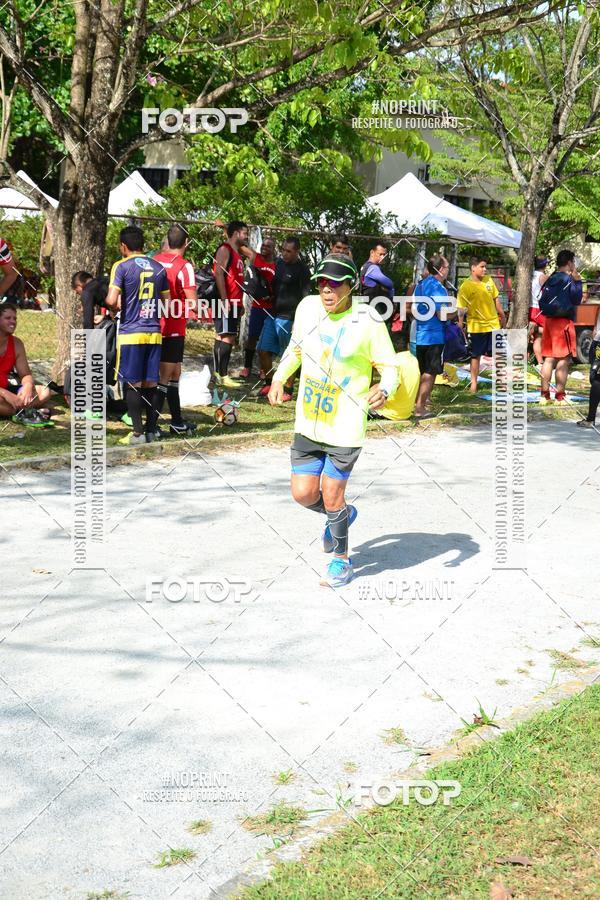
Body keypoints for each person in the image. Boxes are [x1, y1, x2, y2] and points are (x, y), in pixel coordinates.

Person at [268, 253, 399, 588]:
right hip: (309, 420)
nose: (327, 290)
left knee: (331, 491)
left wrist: (384, 388)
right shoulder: (307, 308)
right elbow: (296, 350)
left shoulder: (368, 319)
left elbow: (390, 367)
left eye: (335, 283)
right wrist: (280, 378)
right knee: (302, 493)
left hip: (345, 423)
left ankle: (341, 560)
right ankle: (338, 515)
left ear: (351, 286)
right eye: (322, 283)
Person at [105, 225, 170, 445]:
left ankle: (137, 434)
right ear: (142, 245)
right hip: (154, 333)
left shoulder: (121, 266)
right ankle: (151, 431)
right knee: (151, 383)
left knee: (132, 383)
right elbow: (167, 304)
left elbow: (112, 300)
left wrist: (116, 308)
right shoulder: (159, 267)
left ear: (123, 246)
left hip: (131, 334)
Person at [153, 224, 198, 435]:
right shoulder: (184, 266)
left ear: (167, 241)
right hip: (172, 326)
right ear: (186, 243)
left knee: (174, 373)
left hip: (152, 324)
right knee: (166, 374)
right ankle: (151, 426)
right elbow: (193, 303)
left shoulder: (153, 260)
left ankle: (177, 421)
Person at [258, 236, 311, 400]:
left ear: (297, 251)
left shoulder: (303, 271)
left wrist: (299, 321)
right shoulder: (278, 264)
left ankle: (288, 390)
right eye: (283, 250)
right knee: (263, 350)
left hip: (290, 319)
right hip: (272, 316)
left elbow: (306, 297)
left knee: (289, 356)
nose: (284, 254)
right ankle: (269, 382)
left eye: (288, 251)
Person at [457, 255, 506, 392]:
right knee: (475, 355)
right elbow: (461, 307)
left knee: (498, 353)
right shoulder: (466, 286)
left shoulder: (489, 280)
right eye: (482, 266)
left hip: (493, 324)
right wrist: (461, 323)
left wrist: (502, 315)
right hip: (476, 327)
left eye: (485, 266)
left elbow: (496, 299)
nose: (485, 269)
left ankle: (501, 382)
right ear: (473, 268)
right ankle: (473, 383)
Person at [539, 249, 582, 406]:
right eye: (574, 261)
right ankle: (559, 395)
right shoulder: (569, 279)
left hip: (549, 321)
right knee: (563, 360)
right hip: (562, 322)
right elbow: (576, 300)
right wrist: (577, 281)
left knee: (548, 359)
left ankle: (544, 395)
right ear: (570, 262)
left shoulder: (551, 278)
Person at [412, 255, 453, 418]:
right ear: (441, 270)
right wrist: (458, 312)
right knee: (430, 372)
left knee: (422, 371)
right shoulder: (437, 288)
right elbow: (442, 314)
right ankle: (419, 408)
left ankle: (418, 403)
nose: (448, 270)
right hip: (434, 336)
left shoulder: (420, 285)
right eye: (447, 267)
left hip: (420, 334)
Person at [0, 302, 52, 422]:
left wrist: (28, 386)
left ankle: (16, 410)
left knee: (44, 391)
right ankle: (23, 411)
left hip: (6, 389)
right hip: (2, 392)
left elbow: (25, 374)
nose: (13, 321)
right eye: (8, 318)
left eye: (15, 318)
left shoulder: (17, 344)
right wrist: (6, 394)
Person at [212, 220, 248, 389]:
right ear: (235, 234)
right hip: (226, 302)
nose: (246, 236)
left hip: (234, 301)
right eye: (244, 233)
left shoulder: (237, 252)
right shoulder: (225, 250)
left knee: (224, 335)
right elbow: (218, 273)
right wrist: (225, 299)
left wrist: (239, 303)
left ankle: (219, 373)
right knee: (226, 336)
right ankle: (222, 374)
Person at [237, 236, 276, 378]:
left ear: (273, 249)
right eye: (263, 246)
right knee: (252, 337)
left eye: (268, 246)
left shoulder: (277, 264)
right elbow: (238, 245)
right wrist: (225, 229)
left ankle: (263, 369)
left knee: (267, 339)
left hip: (271, 307)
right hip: (258, 307)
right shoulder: (256, 257)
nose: (264, 248)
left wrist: (273, 296)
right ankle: (247, 367)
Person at [578, 307, 600, 428]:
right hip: (597, 342)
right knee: (595, 379)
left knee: (596, 380)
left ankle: (591, 419)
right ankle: (590, 418)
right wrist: (595, 329)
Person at [529, 256, 549, 366]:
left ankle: (540, 363)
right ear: (545, 265)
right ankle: (535, 328)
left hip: (530, 307)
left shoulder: (529, 274)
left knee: (538, 337)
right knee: (548, 331)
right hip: (539, 308)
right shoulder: (543, 277)